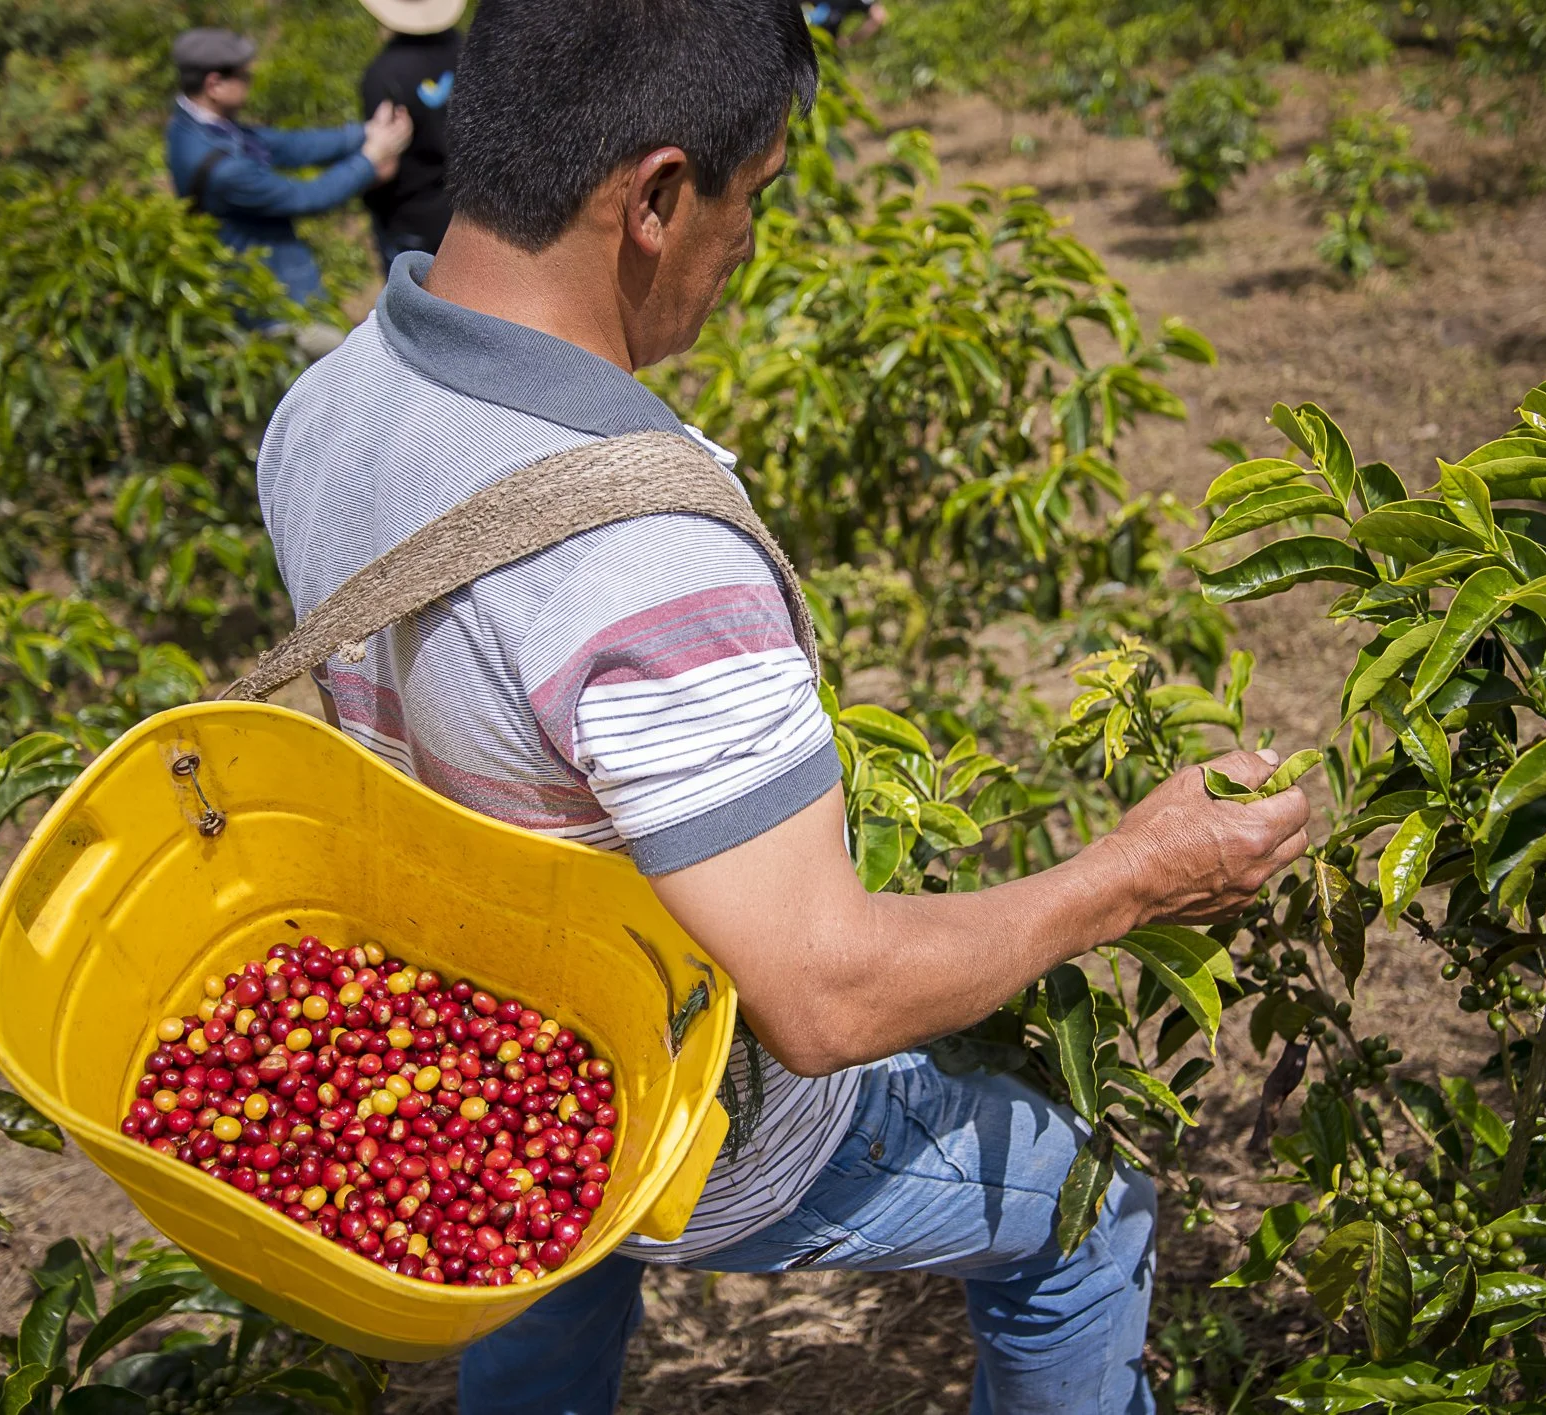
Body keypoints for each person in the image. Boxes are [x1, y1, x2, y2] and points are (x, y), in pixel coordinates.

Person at [254, 1, 1310, 1410]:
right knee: (1087, 1212)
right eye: (748, 199)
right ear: (657, 196)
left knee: (559, 1245)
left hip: (487, 1033)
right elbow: (823, 994)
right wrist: (1130, 874)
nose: (748, 241)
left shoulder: (326, 403)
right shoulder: (642, 560)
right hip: (692, 1118)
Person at [165, 27, 414, 311]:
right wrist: (370, 159)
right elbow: (305, 197)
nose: (250, 83)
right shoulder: (225, 170)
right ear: (215, 85)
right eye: (245, 77)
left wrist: (365, 133)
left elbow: (287, 145)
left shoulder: (194, 125)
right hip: (270, 292)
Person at [356, 0, 466, 272]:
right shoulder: (469, 48)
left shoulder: (384, 74)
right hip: (470, 206)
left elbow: (384, 163)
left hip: (413, 218)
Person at [807, 0, 890, 45]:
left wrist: (850, 41)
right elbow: (878, 17)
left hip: (818, 36)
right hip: (819, 39)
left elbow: (878, 17)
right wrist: (850, 41)